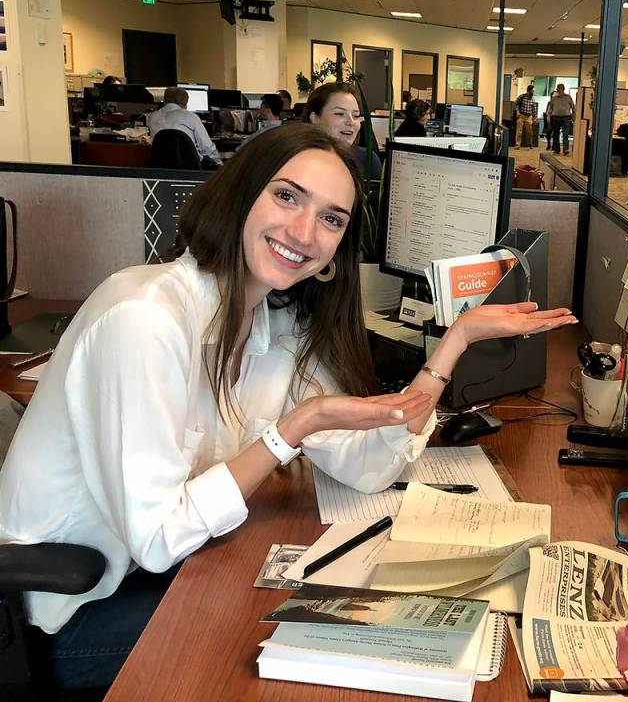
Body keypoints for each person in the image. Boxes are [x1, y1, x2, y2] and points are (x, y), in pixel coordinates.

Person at [0, 124, 575, 690]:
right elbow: (156, 539)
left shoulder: (268, 327)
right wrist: (291, 429)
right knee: (306, 648)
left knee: (338, 618)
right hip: (75, 612)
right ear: (243, 195)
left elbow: (369, 468)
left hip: (159, 574)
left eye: (331, 219)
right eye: (286, 196)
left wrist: (455, 342)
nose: (304, 231)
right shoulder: (146, 320)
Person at [301, 82, 382, 183]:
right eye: (340, 114)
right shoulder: (296, 159)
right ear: (315, 118)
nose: (351, 122)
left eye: (356, 116)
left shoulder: (368, 160)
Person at [147, 86, 222, 167]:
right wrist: (219, 163)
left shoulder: (152, 117)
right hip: (190, 168)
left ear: (164, 100)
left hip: (161, 167)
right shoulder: (191, 116)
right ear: (186, 103)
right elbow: (207, 148)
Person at [547, 83, 575, 155]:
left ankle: (565, 149)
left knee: (565, 134)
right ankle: (556, 149)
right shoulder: (554, 98)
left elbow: (573, 107)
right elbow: (550, 108)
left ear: (563, 89)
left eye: (561, 89)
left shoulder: (568, 97)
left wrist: (574, 117)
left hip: (566, 117)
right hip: (556, 117)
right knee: (556, 134)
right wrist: (548, 116)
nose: (559, 90)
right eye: (558, 89)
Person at [514, 85, 538, 149]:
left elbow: (534, 109)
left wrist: (534, 117)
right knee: (519, 131)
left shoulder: (533, 100)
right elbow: (516, 104)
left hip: (529, 117)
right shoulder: (521, 97)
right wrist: (517, 111)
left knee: (529, 132)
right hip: (521, 116)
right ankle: (517, 145)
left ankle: (530, 144)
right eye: (532, 91)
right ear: (528, 91)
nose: (533, 92)